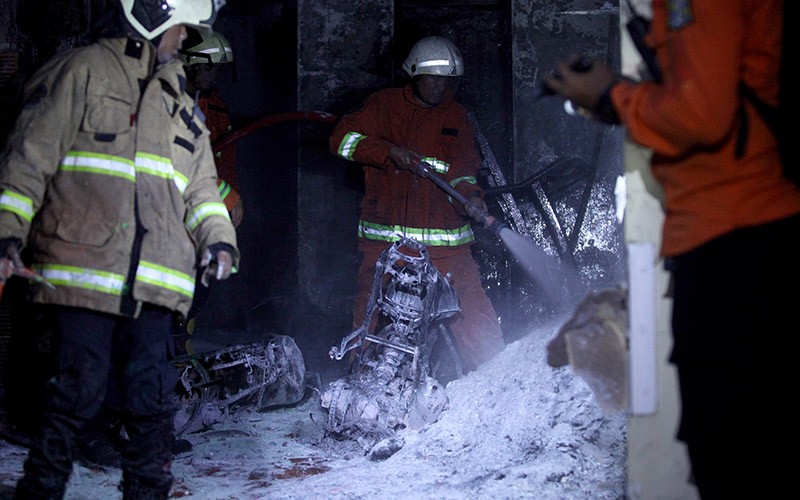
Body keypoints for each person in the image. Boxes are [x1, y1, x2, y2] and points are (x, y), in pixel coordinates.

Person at [543, 1, 800, 498]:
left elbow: (704, 114)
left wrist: (616, 95)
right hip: (727, 238)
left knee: (729, 447)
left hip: (737, 244)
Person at [0, 0, 239, 498]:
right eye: (180, 31)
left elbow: (200, 188)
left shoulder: (182, 104)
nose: (184, 42)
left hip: (156, 281)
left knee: (153, 406)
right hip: (87, 271)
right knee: (76, 397)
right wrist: (7, 231)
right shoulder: (82, 73)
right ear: (150, 17)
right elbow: (28, 159)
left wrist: (219, 239)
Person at [329, 35, 505, 374]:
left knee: (471, 308)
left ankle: (497, 382)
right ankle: (357, 384)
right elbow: (341, 140)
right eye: (434, 79)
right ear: (414, 73)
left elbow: (464, 168)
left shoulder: (457, 117)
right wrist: (386, 152)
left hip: (445, 244)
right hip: (386, 243)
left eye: (447, 80)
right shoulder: (383, 106)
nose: (441, 88)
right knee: (370, 312)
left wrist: (470, 196)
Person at [177, 27, 243, 354]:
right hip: (169, 214)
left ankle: (179, 356)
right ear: (187, 63)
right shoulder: (166, 104)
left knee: (199, 288)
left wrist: (228, 202)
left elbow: (224, 163)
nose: (214, 75)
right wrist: (228, 197)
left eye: (217, 68)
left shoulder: (216, 110)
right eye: (208, 67)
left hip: (202, 214)